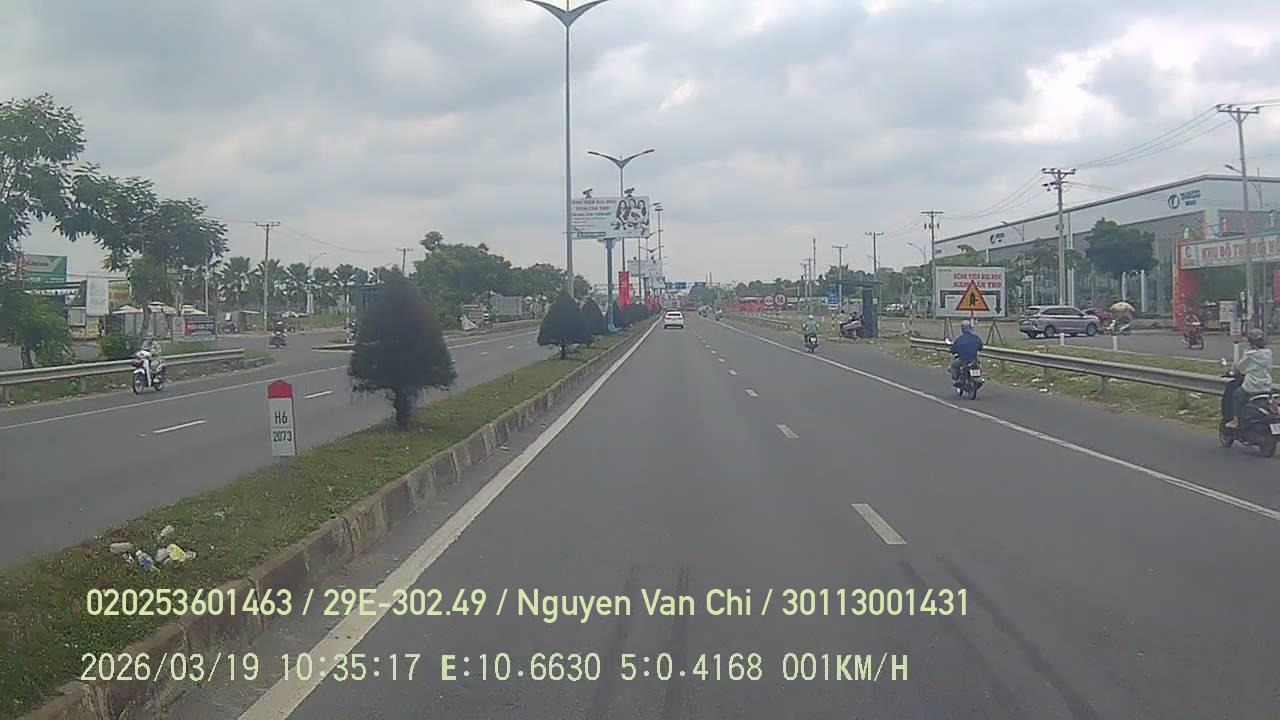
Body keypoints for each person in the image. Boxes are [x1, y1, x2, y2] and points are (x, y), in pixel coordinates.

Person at [1225, 328, 1272, 428]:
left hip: (1251, 386)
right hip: (1266, 386)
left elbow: (1240, 368)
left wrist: (1233, 371)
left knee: (1236, 396)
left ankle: (1236, 420)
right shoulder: (1268, 353)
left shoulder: (1250, 354)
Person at [949, 320, 984, 385]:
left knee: (953, 365)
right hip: (974, 359)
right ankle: (979, 377)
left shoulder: (960, 339)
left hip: (963, 359)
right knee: (978, 364)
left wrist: (953, 350)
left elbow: (953, 349)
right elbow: (980, 347)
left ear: (962, 329)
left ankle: (956, 380)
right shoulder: (976, 338)